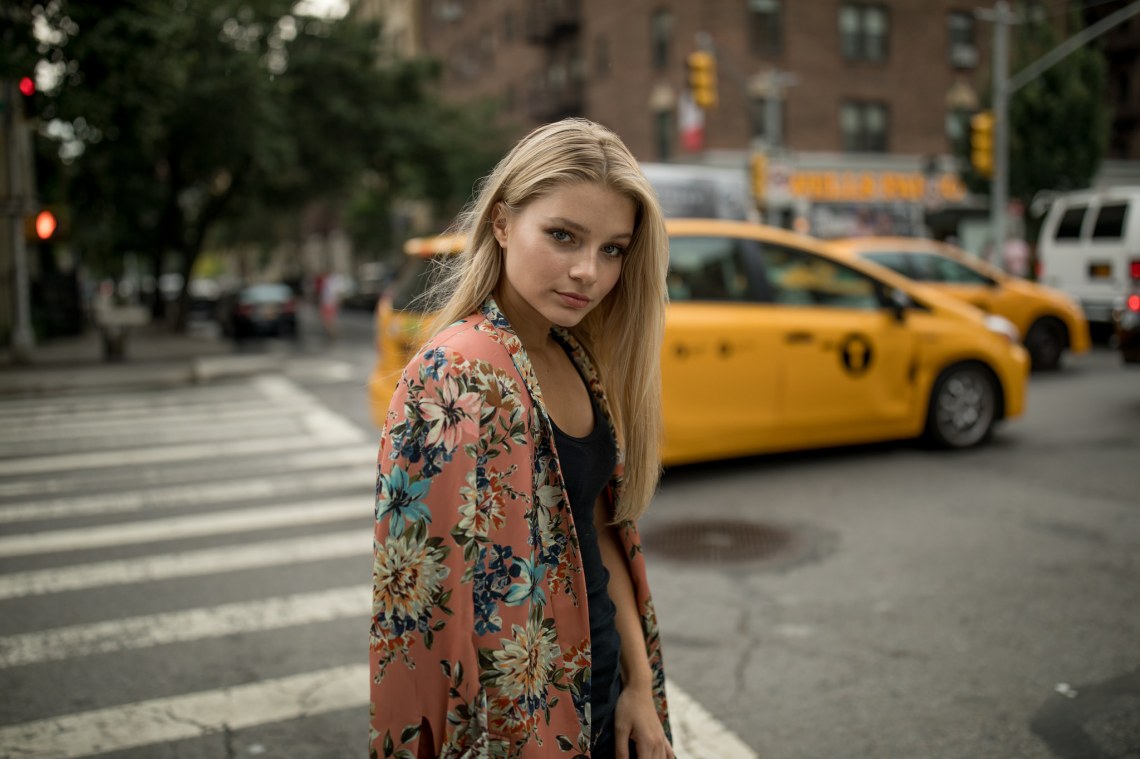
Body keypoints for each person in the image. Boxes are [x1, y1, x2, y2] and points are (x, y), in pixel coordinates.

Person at [370, 118, 674, 759]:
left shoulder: (572, 352)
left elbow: (599, 530)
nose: (588, 271)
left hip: (602, 692)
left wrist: (638, 685)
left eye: (613, 249)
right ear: (503, 224)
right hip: (515, 728)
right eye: (563, 237)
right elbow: (419, 616)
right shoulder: (454, 375)